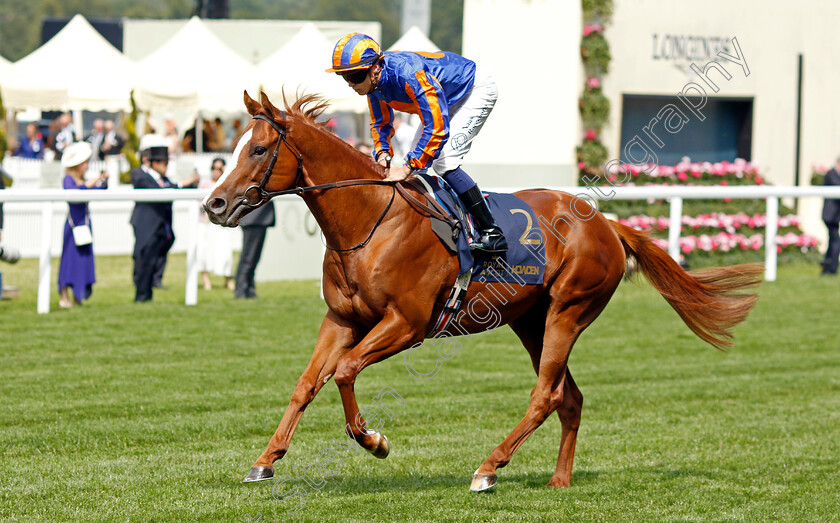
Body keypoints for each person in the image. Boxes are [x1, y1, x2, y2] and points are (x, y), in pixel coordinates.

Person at [326, 32, 507, 253]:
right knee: (413, 160)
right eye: (345, 77)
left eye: (354, 76)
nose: (350, 84)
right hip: (446, 97)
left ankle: (492, 232)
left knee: (444, 161)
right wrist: (383, 155)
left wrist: (409, 166)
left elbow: (437, 128)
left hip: (473, 89)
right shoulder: (373, 86)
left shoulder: (408, 74)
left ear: (375, 69)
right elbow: (381, 123)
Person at [129, 135, 200, 302]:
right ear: (153, 163)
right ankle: (141, 295)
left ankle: (148, 292)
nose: (166, 167)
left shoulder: (163, 179)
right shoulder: (140, 175)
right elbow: (161, 190)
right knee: (143, 260)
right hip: (146, 226)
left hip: (161, 227)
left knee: (154, 260)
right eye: (163, 163)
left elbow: (172, 188)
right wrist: (183, 183)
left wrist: (190, 182)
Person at [57, 142, 109, 308]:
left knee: (83, 261)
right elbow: (75, 193)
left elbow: (98, 191)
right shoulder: (68, 179)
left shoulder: (84, 180)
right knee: (69, 261)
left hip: (85, 226)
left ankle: (78, 297)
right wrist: (93, 182)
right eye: (84, 162)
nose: (86, 166)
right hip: (73, 226)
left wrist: (103, 181)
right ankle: (64, 296)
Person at [197, 158, 235, 290]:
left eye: (219, 169)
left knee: (225, 252)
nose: (216, 171)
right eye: (214, 168)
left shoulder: (228, 184)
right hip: (206, 223)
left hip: (222, 224)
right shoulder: (205, 184)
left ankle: (227, 278)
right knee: (204, 251)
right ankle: (206, 280)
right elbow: (200, 203)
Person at [234, 200, 275, 299]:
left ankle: (248, 289)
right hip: (253, 218)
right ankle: (241, 290)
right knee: (249, 257)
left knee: (253, 257)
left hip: (257, 218)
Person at [821, 157, 840, 276]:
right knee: (835, 241)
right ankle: (831, 268)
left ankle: (827, 266)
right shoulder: (831, 174)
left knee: (833, 240)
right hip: (830, 215)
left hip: (835, 215)